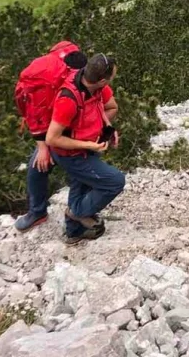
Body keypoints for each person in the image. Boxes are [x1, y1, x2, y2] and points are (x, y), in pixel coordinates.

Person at [46, 53, 124, 244]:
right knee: (115, 181)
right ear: (102, 80)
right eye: (112, 77)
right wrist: (87, 145)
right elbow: (52, 138)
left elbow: (99, 107)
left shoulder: (93, 85)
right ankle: (77, 213)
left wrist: (107, 127)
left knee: (80, 185)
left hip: (85, 147)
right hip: (72, 154)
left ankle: (74, 232)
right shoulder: (68, 99)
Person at [14, 44, 88, 232]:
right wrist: (43, 148)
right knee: (38, 165)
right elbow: (34, 115)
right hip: (52, 126)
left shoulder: (71, 63)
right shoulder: (42, 84)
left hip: (69, 122)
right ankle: (38, 212)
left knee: (80, 169)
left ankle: (77, 216)